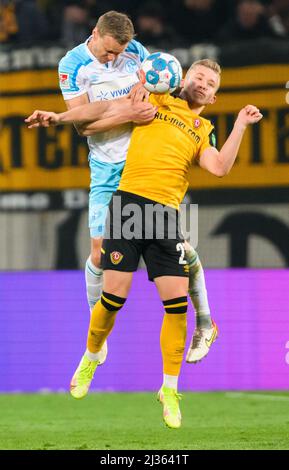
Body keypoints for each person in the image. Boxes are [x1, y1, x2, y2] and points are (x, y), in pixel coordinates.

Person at [26, 59, 263, 428]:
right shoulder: (156, 97)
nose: (203, 83)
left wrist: (241, 126)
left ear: (214, 96)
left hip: (164, 216)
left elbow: (218, 168)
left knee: (174, 307)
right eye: (198, 75)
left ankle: (169, 389)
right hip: (127, 205)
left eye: (210, 82)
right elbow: (105, 108)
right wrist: (60, 117)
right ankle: (90, 358)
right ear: (183, 78)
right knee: (112, 298)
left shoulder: (204, 127)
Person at [54, 9, 218, 368]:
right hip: (106, 168)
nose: (112, 59)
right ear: (95, 33)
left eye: (118, 53)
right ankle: (98, 331)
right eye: (108, 52)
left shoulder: (139, 54)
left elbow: (159, 93)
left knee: (183, 248)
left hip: (147, 167)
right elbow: (85, 127)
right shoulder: (72, 64)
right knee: (98, 254)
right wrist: (129, 111)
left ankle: (205, 322)